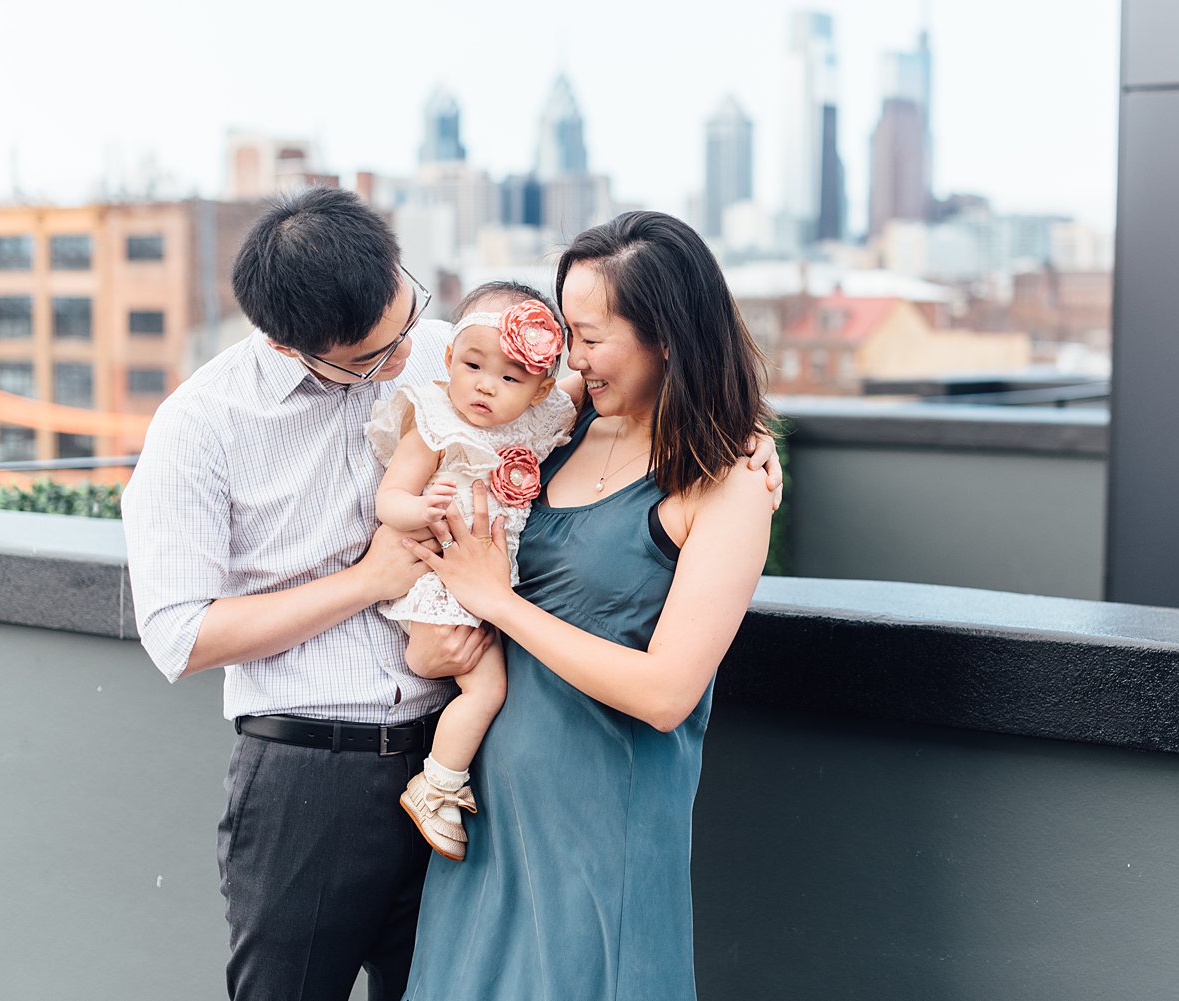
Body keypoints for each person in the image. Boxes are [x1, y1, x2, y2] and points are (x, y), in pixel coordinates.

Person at [123, 189, 781, 1001]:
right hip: (315, 775)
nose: (409, 357)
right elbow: (177, 636)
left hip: (459, 772)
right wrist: (369, 580)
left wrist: (741, 433)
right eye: (375, 354)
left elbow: (615, 400)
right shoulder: (201, 426)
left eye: (410, 322)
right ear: (293, 346)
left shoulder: (462, 352)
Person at [397, 210, 776, 1001]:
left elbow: (667, 693)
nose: (573, 356)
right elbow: (461, 380)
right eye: (566, 331)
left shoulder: (728, 481)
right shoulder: (557, 427)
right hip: (485, 820)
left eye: (592, 336)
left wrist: (498, 603)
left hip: (601, 835)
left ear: (667, 334)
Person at [366, 283, 574, 861]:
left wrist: (746, 431)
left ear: (539, 391)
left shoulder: (533, 424)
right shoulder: (433, 421)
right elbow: (391, 500)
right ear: (451, 359)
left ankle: (442, 779)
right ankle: (437, 785)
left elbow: (611, 392)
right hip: (442, 582)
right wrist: (421, 510)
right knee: (487, 689)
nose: (485, 385)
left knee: (498, 684)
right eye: (473, 365)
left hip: (489, 584)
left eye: (510, 378)